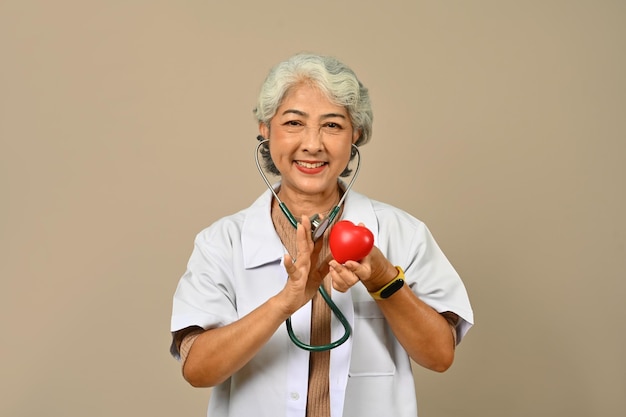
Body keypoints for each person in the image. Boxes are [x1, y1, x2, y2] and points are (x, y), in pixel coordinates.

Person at [169, 52, 474, 417]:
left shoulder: (401, 233)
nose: (313, 144)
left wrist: (382, 279)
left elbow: (439, 356)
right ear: (265, 129)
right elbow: (199, 370)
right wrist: (285, 301)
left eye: (332, 126)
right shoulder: (222, 242)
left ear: (356, 135)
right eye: (294, 123)